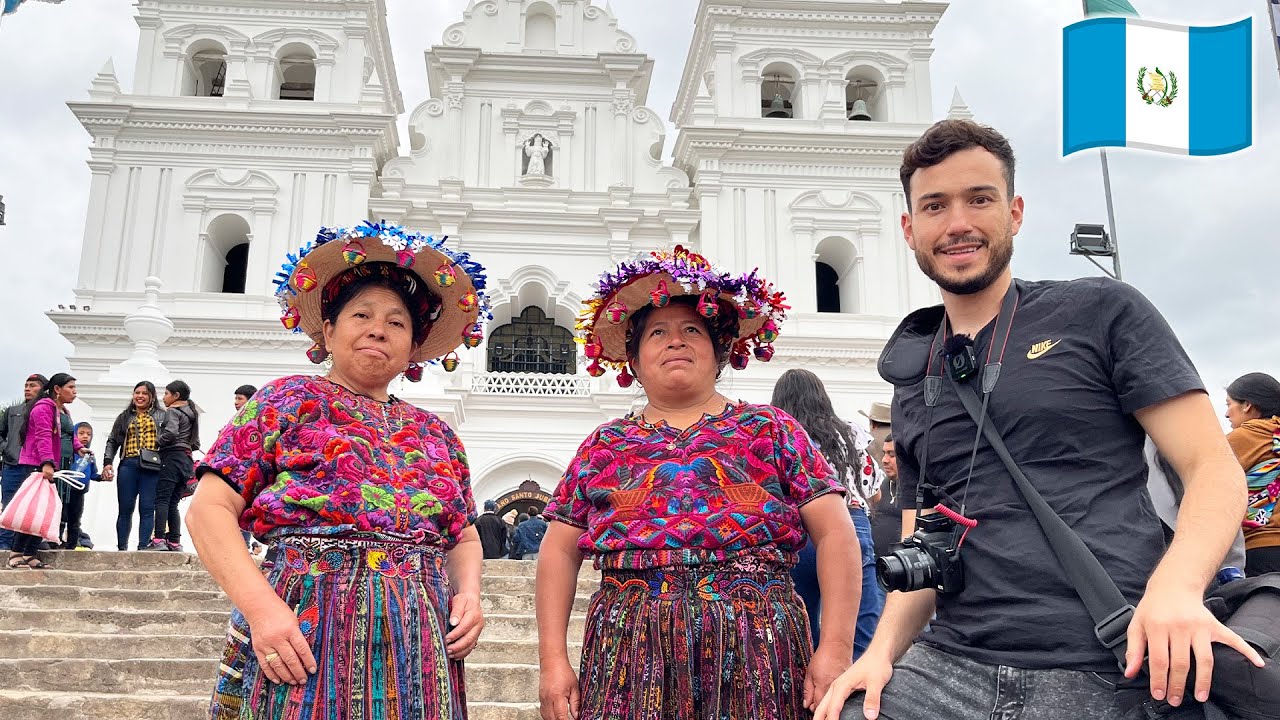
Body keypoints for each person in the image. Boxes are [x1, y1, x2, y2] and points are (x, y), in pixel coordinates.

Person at [817, 120, 1262, 720]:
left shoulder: (1102, 310)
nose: (957, 224)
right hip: (950, 664)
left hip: (1106, 658)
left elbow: (1212, 467)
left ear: (1016, 211)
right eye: (934, 206)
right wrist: (880, 653)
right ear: (909, 228)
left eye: (979, 199)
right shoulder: (913, 369)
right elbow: (927, 538)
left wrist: (1177, 589)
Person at [537, 246, 860, 720]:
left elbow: (835, 533)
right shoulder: (604, 445)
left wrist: (834, 647)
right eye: (658, 333)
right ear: (634, 358)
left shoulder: (772, 430)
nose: (675, 341)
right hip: (628, 646)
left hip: (759, 644)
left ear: (720, 349)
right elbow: (559, 550)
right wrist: (552, 662)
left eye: (692, 329)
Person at [187, 220, 490, 719]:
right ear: (328, 331)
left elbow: (463, 536)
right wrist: (263, 611)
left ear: (414, 347)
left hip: (420, 635)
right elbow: (210, 509)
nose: (378, 328)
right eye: (362, 314)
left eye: (397, 322)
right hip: (302, 622)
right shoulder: (288, 401)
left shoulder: (436, 434)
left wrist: (470, 596)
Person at [773, 368, 885, 658]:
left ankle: (808, 692)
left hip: (797, 528)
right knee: (860, 624)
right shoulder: (851, 433)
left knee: (802, 622)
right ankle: (852, 692)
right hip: (850, 523)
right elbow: (874, 491)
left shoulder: (778, 435)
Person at [8, 373, 79, 568]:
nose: (74, 392)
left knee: (43, 510)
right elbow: (43, 436)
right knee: (31, 510)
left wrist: (78, 447)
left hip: (50, 465)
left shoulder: (61, 410)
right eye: (71, 387)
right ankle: (16, 553)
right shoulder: (43, 408)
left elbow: (69, 434)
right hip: (36, 464)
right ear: (57, 389)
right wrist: (46, 462)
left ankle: (30, 553)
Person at [1222, 372, 1280, 575]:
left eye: (1229, 404)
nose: (1227, 414)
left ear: (1247, 405)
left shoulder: (1242, 438)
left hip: (1261, 546)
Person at [102, 381, 166, 551]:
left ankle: (143, 547)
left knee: (147, 507)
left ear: (152, 396)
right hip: (128, 465)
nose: (140, 396)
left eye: (144, 393)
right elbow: (112, 441)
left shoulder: (162, 415)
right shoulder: (124, 417)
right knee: (125, 508)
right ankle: (122, 547)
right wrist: (107, 462)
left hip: (152, 467)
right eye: (137, 392)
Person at [147, 380, 200, 552]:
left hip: (171, 457)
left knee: (162, 499)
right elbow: (196, 443)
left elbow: (170, 433)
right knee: (173, 502)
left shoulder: (172, 411)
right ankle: (175, 541)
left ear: (176, 396)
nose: (163, 398)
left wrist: (156, 442)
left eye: (166, 394)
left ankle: (159, 538)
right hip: (186, 459)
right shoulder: (192, 413)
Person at [0, 373, 47, 552]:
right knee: (9, 504)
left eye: (33, 385)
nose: (28, 388)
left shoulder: (47, 411)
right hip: (13, 465)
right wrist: (8, 448)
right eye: (26, 385)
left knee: (31, 506)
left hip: (35, 466)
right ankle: (4, 544)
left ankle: (26, 546)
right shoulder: (13, 411)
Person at [61, 421, 101, 550]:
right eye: (81, 433)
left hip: (79, 492)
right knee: (61, 517)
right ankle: (55, 541)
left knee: (75, 519)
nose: (85, 437)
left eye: (88, 434)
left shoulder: (90, 456)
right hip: (65, 490)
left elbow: (93, 474)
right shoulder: (69, 453)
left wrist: (102, 477)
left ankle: (72, 545)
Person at [870, 433, 906, 560]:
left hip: (901, 566)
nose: (885, 460)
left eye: (892, 454)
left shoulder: (917, 492)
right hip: (876, 563)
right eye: (884, 453)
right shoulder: (881, 485)